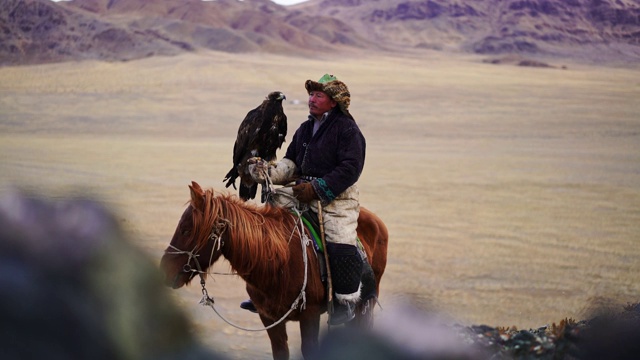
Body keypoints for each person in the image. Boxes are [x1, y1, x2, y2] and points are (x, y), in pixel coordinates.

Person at [241, 74, 366, 326]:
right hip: (300, 193)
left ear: (334, 102)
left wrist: (318, 187)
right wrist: (266, 172)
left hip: (337, 200)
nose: (312, 99)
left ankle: (344, 304)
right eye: (311, 94)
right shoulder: (306, 129)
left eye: (319, 95)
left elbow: (351, 168)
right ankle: (266, 292)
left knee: (339, 241)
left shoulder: (348, 130)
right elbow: (291, 162)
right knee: (268, 223)